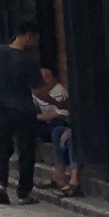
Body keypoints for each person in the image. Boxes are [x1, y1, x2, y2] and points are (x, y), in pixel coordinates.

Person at [0, 22, 43, 205]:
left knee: (2, 148)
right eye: (34, 38)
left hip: (1, 108)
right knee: (26, 151)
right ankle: (23, 193)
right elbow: (37, 90)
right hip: (23, 109)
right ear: (27, 36)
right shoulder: (29, 59)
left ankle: (1, 184)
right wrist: (56, 102)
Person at [35, 67, 78, 196]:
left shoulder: (60, 92)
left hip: (69, 124)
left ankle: (74, 180)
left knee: (63, 129)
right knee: (57, 132)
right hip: (62, 126)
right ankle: (58, 174)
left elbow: (61, 114)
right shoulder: (38, 92)